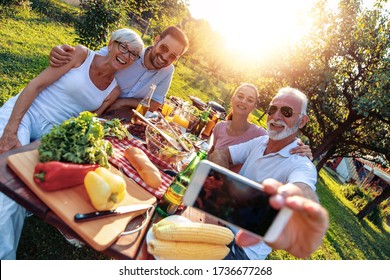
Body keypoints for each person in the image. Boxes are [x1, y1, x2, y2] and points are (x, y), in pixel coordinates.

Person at [0, 28, 144, 260]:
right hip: (26, 113)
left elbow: (87, 121)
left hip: (50, 136)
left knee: (19, 188)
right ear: (111, 42)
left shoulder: (113, 90)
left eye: (134, 54)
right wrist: (10, 130)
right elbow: (35, 85)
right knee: (8, 190)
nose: (126, 55)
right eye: (123, 46)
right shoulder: (80, 55)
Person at [208, 87, 329, 259]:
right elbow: (220, 153)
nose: (276, 116)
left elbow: (303, 188)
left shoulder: (301, 164)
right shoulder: (261, 141)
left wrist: (300, 206)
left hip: (241, 251)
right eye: (272, 109)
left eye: (286, 112)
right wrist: (224, 186)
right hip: (219, 222)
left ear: (301, 121)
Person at [49, 26, 190, 115]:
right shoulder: (130, 51)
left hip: (118, 116)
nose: (165, 57)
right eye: (164, 48)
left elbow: (156, 103)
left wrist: (124, 102)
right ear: (156, 40)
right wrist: (61, 51)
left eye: (172, 56)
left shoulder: (167, 70)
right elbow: (91, 59)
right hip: (89, 106)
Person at [208, 83, 312, 172]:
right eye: (240, 96)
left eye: (249, 100)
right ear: (232, 99)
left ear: (254, 106)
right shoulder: (220, 127)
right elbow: (212, 152)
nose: (243, 101)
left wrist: (304, 151)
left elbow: (279, 143)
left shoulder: (260, 135)